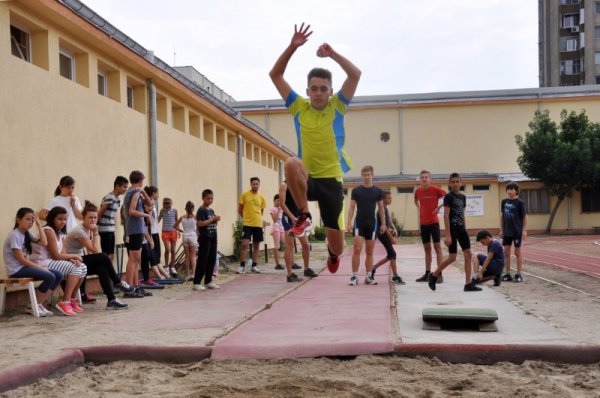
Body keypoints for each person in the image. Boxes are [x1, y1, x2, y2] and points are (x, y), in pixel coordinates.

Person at [269, 23, 361, 274]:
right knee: (290, 163)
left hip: (332, 181)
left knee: (339, 248)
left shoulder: (337, 106)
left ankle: (333, 254)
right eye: (314, 88)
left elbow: (355, 75)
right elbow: (275, 75)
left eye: (323, 89)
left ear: (330, 91)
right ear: (307, 90)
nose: (318, 93)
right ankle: (305, 216)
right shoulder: (299, 106)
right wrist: (292, 47)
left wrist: (333, 54)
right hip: (308, 178)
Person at [64, 201, 136, 308]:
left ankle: (111, 300)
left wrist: (94, 233)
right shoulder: (80, 231)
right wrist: (96, 233)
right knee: (102, 256)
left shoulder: (87, 230)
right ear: (83, 218)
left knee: (101, 268)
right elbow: (96, 252)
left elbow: (93, 253)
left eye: (95, 217)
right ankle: (118, 282)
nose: (93, 220)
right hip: (70, 262)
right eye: (90, 217)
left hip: (79, 261)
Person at [3, 208, 62, 317]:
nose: (30, 222)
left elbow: (44, 242)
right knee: (50, 276)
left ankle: (38, 304)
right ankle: (32, 305)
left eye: (32, 220)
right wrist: (40, 268)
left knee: (58, 275)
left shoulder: (27, 233)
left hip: (24, 267)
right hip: (16, 270)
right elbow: (21, 260)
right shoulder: (15, 235)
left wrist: (39, 225)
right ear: (18, 220)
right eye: (27, 219)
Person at [428, 173, 481, 292]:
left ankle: (468, 284)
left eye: (458, 181)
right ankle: (434, 275)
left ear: (461, 183)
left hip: (462, 229)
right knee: (452, 257)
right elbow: (446, 215)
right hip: (452, 230)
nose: (456, 184)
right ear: (449, 183)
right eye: (453, 182)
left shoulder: (463, 197)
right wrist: (447, 235)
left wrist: (465, 228)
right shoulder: (448, 197)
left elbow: (462, 213)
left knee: (468, 254)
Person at [31, 206, 88, 316]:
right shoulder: (48, 230)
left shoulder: (61, 233)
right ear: (52, 219)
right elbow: (56, 255)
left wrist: (72, 259)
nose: (63, 222)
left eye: (65, 219)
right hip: (41, 262)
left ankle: (71, 299)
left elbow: (63, 253)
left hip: (51, 261)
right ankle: (64, 301)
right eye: (60, 219)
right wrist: (76, 256)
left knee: (83, 267)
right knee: (75, 267)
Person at [346, 166, 386, 286]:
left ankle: (369, 276)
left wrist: (383, 223)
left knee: (369, 251)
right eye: (364, 175)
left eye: (368, 175)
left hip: (372, 224)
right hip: (359, 223)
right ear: (362, 176)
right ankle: (354, 276)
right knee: (357, 249)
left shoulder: (378, 191)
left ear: (372, 175)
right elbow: (352, 207)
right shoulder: (356, 191)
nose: (367, 177)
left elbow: (381, 208)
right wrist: (349, 223)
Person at [279, 181, 318, 282]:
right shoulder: (284, 185)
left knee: (305, 244)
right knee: (290, 246)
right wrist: (292, 217)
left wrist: (306, 215)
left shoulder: (299, 185)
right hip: (288, 218)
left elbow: (304, 202)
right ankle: (289, 274)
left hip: (299, 218)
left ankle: (306, 269)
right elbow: (282, 204)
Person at [413, 170, 446, 283]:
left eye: (426, 177)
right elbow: (415, 200)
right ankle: (427, 274)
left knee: (437, 248)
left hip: (434, 223)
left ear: (430, 179)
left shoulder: (436, 189)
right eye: (422, 177)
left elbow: (447, 197)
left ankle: (439, 274)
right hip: (423, 224)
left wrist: (438, 207)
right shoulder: (418, 191)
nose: (424, 179)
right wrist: (420, 209)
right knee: (427, 248)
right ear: (420, 179)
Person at [122, 170, 153, 288]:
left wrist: (144, 193)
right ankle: (129, 287)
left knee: (136, 258)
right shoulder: (134, 193)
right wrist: (146, 215)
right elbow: (132, 211)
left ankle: (135, 286)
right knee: (133, 258)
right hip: (134, 229)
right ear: (140, 180)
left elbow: (149, 204)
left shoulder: (137, 192)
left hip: (137, 229)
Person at [370, 191, 405, 285]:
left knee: (391, 255)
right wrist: (391, 238)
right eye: (389, 198)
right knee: (392, 254)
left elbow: (389, 221)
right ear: (384, 199)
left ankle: (373, 268)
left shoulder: (386, 209)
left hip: (385, 233)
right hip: (381, 234)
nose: (391, 200)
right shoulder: (380, 210)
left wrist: (394, 228)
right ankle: (395, 276)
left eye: (391, 198)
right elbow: (384, 226)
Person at [500, 181, 528, 283]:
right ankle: (507, 274)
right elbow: (502, 216)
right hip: (507, 231)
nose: (509, 191)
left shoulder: (520, 202)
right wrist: (501, 229)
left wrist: (524, 230)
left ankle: (519, 274)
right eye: (508, 189)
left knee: (517, 252)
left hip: (517, 231)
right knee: (506, 252)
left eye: (512, 189)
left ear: (516, 191)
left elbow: (525, 217)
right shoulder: (504, 202)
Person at [237, 177, 266, 274]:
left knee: (256, 245)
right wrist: (245, 218)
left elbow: (261, 211)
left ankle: (254, 265)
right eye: (253, 184)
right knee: (244, 244)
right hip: (247, 224)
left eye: (257, 184)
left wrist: (258, 219)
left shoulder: (261, 197)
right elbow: (240, 209)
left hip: (257, 224)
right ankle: (242, 266)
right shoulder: (244, 195)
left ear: (259, 185)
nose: (255, 185)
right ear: (251, 184)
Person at [193, 189, 221, 291]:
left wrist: (216, 220)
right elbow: (200, 223)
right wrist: (212, 219)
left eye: (211, 198)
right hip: (205, 237)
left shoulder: (211, 210)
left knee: (211, 259)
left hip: (213, 236)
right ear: (203, 198)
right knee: (203, 260)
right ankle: (196, 282)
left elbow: (212, 223)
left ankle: (208, 281)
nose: (210, 200)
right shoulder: (201, 210)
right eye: (208, 198)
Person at [97, 176, 129, 261]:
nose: (125, 189)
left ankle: (109, 273)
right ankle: (106, 273)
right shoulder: (109, 197)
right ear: (117, 186)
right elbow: (100, 212)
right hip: (104, 230)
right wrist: (93, 227)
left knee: (111, 254)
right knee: (106, 255)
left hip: (111, 229)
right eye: (124, 187)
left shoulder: (117, 199)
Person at [173, 201, 198, 279]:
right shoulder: (195, 217)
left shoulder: (182, 217)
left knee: (187, 256)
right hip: (192, 236)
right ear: (193, 208)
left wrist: (182, 231)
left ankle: (187, 274)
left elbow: (174, 226)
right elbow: (198, 227)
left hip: (185, 236)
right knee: (193, 256)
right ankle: (193, 274)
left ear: (185, 208)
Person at [158, 197, 179, 276]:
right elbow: (158, 219)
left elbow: (177, 221)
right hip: (165, 232)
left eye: (168, 203)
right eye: (165, 203)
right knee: (167, 249)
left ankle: (172, 266)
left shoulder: (175, 211)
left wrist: (178, 230)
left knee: (173, 250)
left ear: (171, 203)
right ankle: (166, 266)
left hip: (173, 232)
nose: (167, 205)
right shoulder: (162, 211)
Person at [144, 185, 162, 274]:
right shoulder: (149, 203)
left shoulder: (153, 204)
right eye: (157, 193)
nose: (158, 195)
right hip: (151, 232)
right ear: (153, 193)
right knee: (153, 254)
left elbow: (154, 219)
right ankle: (158, 274)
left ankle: (160, 273)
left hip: (155, 231)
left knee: (158, 254)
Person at [269, 194, 285, 270]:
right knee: (276, 246)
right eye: (277, 200)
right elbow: (275, 220)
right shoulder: (273, 209)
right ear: (274, 200)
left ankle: (291, 263)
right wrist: (278, 210)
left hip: (282, 228)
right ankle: (277, 264)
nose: (278, 202)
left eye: (280, 200)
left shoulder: (282, 208)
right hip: (276, 228)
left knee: (288, 244)